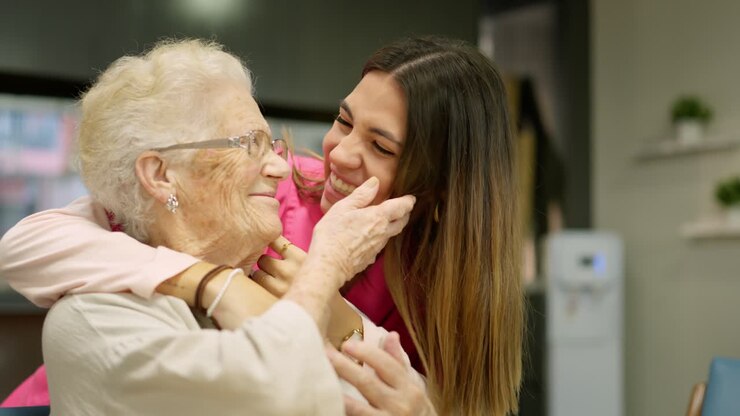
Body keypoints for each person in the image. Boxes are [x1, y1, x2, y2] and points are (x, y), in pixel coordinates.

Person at [1, 36, 523, 415]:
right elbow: (25, 245)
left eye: (381, 147)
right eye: (343, 121)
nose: (338, 152)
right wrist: (215, 282)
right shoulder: (284, 189)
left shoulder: (438, 278)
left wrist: (339, 314)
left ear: (438, 195)